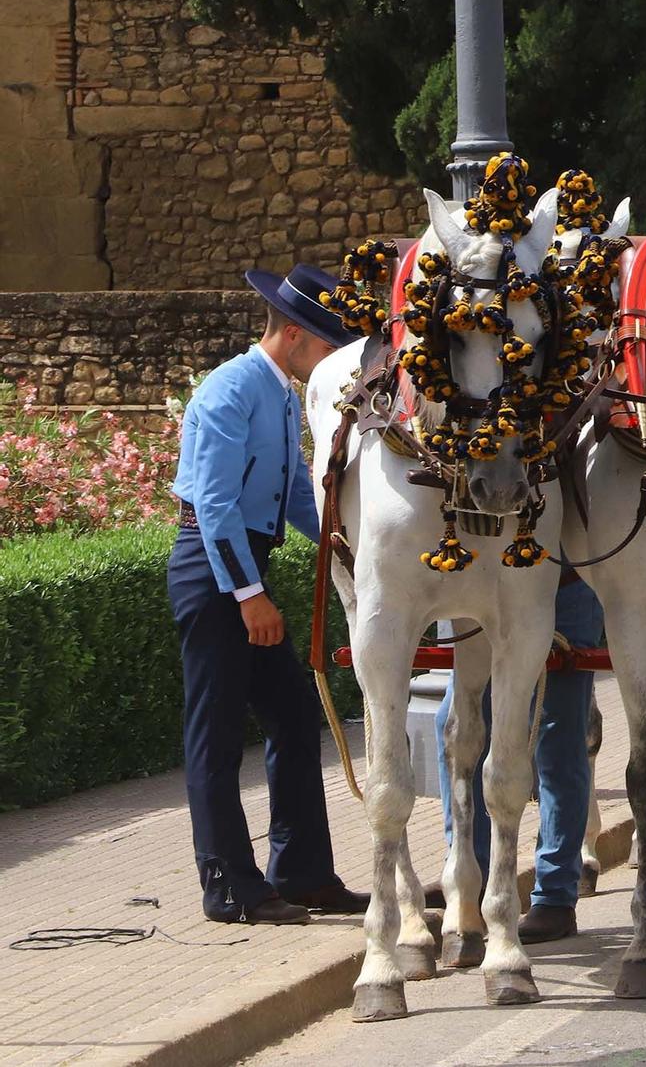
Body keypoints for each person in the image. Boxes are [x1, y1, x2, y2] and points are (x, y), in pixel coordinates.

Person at [168, 264, 367, 924]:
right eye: (326, 346)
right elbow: (216, 505)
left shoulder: (281, 393)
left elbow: (291, 499)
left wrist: (346, 542)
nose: (333, 361)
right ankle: (228, 885)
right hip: (213, 567)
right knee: (216, 738)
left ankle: (303, 873)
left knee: (291, 714)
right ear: (291, 335)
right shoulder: (232, 389)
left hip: (242, 564)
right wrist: (250, 594)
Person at [434, 573, 604, 942]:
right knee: (456, 722)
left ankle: (556, 895)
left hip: (565, 583)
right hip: (488, 590)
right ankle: (467, 874)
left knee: (559, 735)